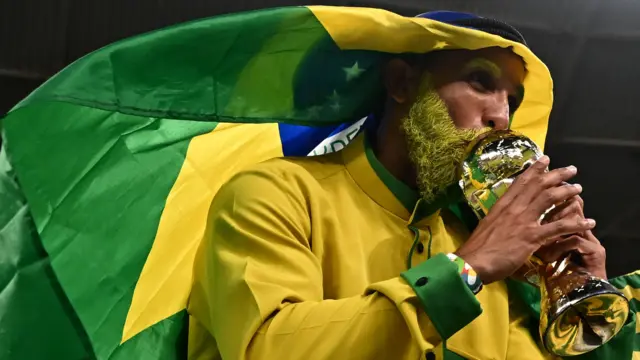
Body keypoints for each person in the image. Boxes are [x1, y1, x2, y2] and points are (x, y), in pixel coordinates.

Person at [188, 10, 636, 360]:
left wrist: (581, 297)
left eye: (512, 102)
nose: (502, 117)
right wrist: (466, 271)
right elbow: (269, 349)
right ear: (402, 82)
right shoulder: (275, 193)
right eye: (481, 81)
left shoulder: (503, 259)